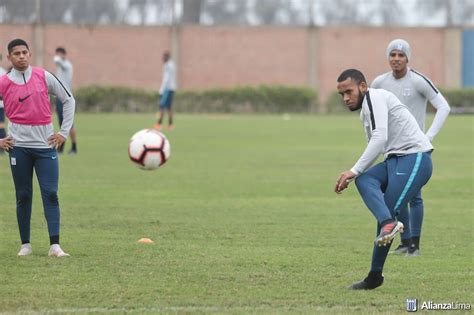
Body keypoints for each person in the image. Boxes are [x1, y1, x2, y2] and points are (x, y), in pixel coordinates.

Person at [335, 69, 433, 290]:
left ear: (362, 86)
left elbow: (380, 138)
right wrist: (356, 174)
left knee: (386, 214)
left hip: (415, 157)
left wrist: (352, 170)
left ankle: (374, 275)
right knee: (364, 180)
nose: (346, 98)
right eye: (341, 95)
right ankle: (378, 266)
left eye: (349, 91)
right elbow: (377, 147)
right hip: (394, 161)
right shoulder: (365, 112)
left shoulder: (377, 96)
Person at [371, 39, 450, 256]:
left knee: (414, 196)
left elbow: (444, 106)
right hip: (393, 148)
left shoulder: (418, 81)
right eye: (392, 55)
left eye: (401, 55)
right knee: (396, 192)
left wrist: (429, 136)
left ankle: (414, 244)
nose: (396, 59)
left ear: (408, 58)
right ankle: (404, 242)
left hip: (415, 148)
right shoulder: (379, 83)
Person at [0, 39, 75, 257]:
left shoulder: (44, 76)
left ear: (30, 54)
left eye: (24, 52)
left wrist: (63, 132)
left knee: (51, 193)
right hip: (18, 148)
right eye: (16, 53)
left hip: (45, 147)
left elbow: (69, 100)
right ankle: (25, 245)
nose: (21, 56)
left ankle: (55, 246)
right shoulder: (4, 83)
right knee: (23, 195)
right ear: (9, 58)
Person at [53, 46, 78, 154]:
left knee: (69, 123)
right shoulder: (61, 67)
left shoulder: (66, 65)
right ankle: (61, 147)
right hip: (59, 98)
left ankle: (74, 147)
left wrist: (57, 57)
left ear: (63, 54)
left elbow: (57, 60)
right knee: (61, 123)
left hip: (66, 99)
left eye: (58, 54)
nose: (57, 56)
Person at [154, 51, 176, 131]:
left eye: (163, 57)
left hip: (167, 89)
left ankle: (159, 124)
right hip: (172, 88)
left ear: (167, 57)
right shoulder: (172, 65)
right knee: (169, 108)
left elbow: (166, 79)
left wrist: (161, 90)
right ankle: (170, 125)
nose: (162, 59)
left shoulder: (167, 65)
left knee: (161, 107)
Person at [0, 53, 7, 155]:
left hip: (0, 104)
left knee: (0, 125)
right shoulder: (4, 72)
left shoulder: (2, 73)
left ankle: (3, 147)